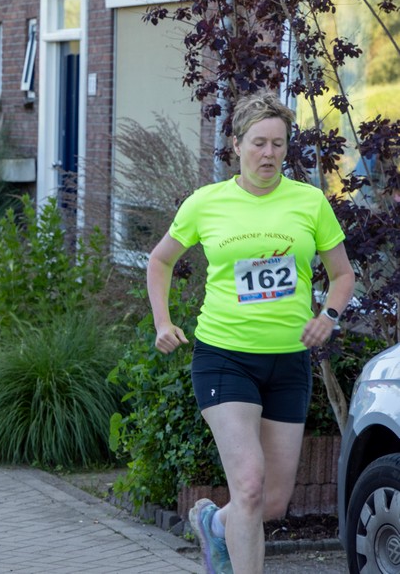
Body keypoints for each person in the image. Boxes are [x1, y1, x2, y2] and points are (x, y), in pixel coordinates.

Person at [147, 92, 354, 574]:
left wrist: (330, 314)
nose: (268, 154)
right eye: (259, 143)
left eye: (278, 144)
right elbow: (160, 260)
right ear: (236, 144)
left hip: (289, 363)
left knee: (273, 503)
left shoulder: (310, 202)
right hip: (225, 358)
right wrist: (163, 321)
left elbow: (342, 274)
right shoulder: (207, 203)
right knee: (250, 485)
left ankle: (214, 525)